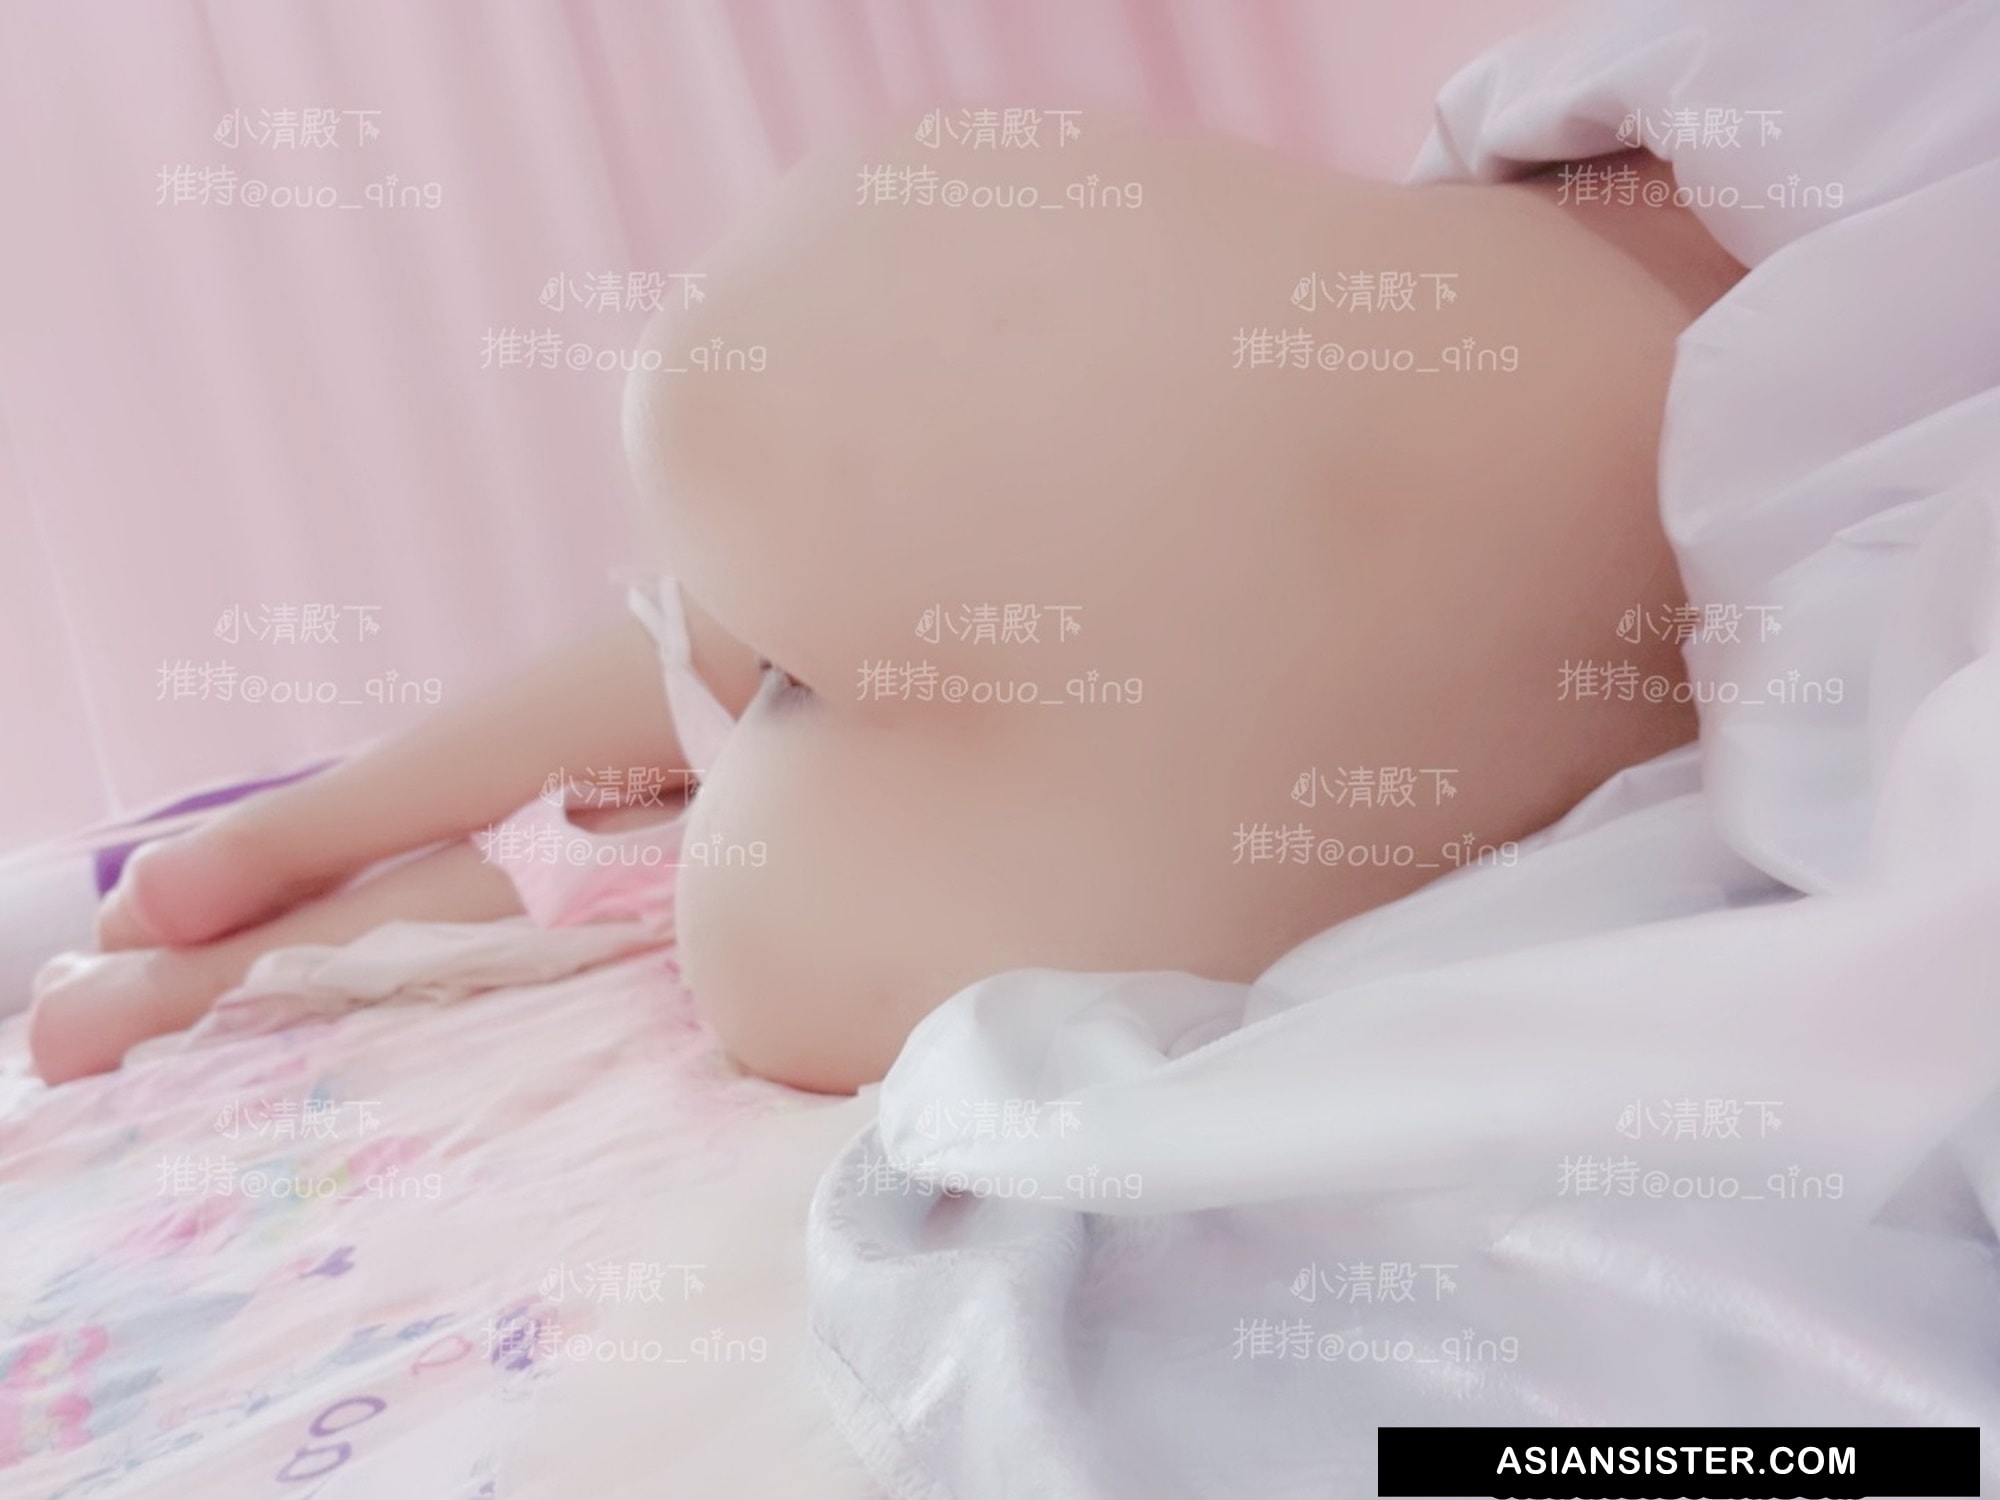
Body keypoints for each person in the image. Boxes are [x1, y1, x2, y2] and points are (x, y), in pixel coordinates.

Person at [27, 122, 1744, 1094]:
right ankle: (246, 947)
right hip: (877, 901)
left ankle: (270, 862)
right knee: (837, 722)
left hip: (906, 412)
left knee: (777, 625)